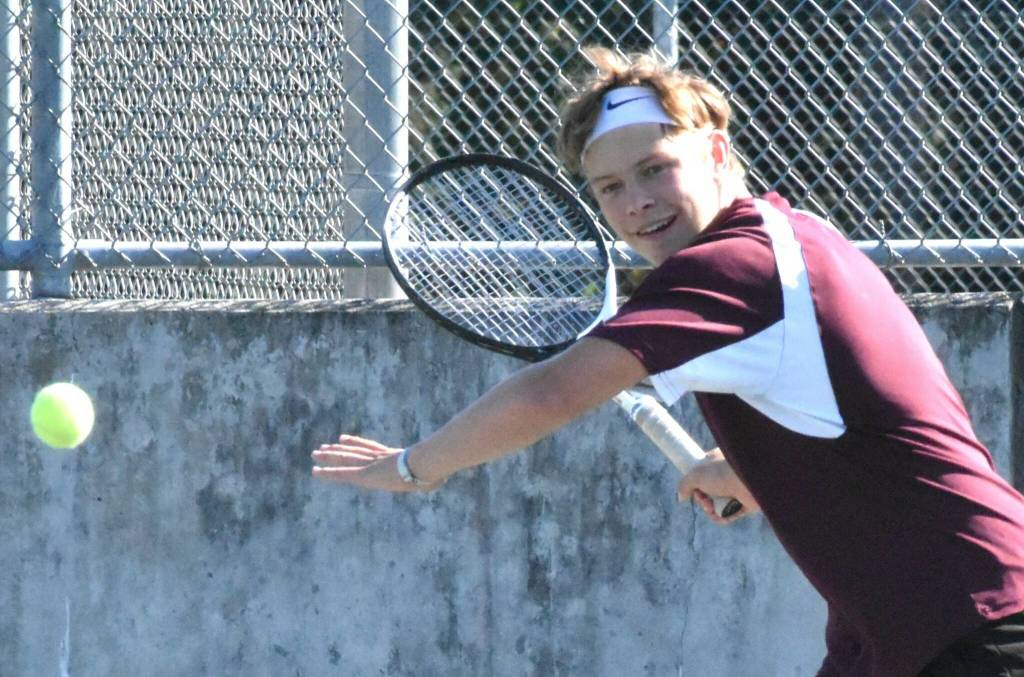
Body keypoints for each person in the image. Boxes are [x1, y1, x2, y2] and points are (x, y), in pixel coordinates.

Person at [311, 47, 1024, 677]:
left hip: (969, 626)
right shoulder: (793, 234)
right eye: (611, 186)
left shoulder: (731, 266)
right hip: (923, 624)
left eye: (655, 169)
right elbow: (859, 412)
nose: (637, 202)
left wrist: (415, 467)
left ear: (715, 153)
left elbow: (551, 393)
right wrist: (749, 469)